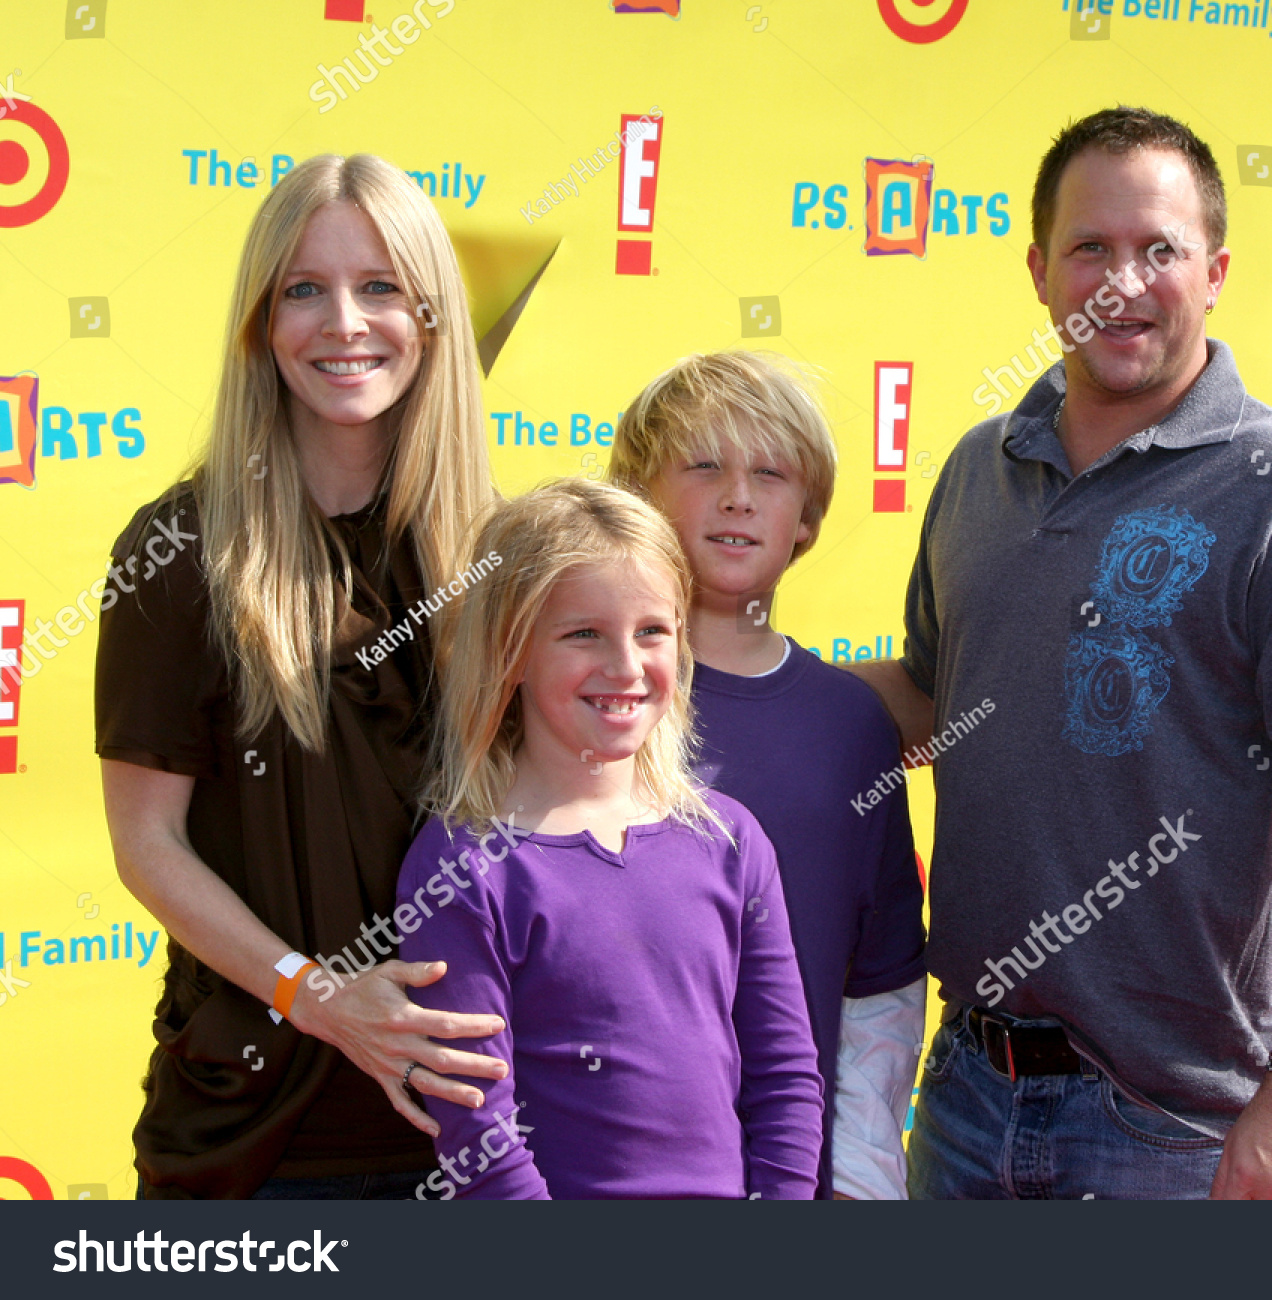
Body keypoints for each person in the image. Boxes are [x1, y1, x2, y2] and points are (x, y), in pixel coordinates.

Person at [850, 107, 1272, 1200]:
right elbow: (928, 696)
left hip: (1172, 1125)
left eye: (1160, 249)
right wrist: (718, 677)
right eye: (1090, 248)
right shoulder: (978, 468)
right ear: (1038, 271)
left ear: (1217, 270)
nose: (1124, 280)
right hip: (964, 1090)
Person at [95, 154, 506, 1199]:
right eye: (303, 290)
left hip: (479, 1126)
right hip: (258, 1140)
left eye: (378, 288)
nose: (343, 322)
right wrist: (319, 996)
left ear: (431, 315)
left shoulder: (498, 554)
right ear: (260, 323)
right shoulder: (180, 550)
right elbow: (149, 844)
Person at [398, 479, 824, 1199]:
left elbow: (784, 1077)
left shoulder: (732, 842)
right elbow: (478, 1129)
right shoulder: (462, 867)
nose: (625, 666)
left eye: (652, 630)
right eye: (583, 633)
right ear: (511, 650)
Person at [608, 352, 928, 1199]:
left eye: (770, 473)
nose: (737, 495)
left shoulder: (851, 726)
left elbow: (881, 987)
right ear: (638, 494)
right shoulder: (583, 703)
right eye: (704, 464)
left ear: (809, 520)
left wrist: (860, 1182)